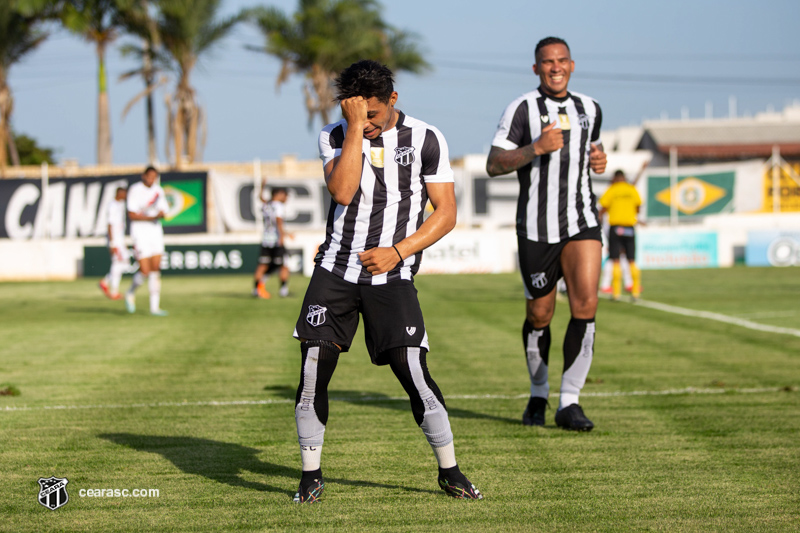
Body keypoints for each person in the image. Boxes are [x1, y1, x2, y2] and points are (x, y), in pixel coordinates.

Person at [291, 60, 482, 503]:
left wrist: (398, 251)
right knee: (313, 371)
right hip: (335, 270)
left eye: (373, 115)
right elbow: (342, 192)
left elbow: (447, 213)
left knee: (412, 370)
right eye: (356, 113)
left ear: (393, 100)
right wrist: (356, 126)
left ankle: (449, 470)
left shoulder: (426, 138)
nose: (365, 123)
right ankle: (310, 474)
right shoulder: (335, 134)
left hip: (393, 272)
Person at [486, 37, 607, 431]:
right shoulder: (522, 108)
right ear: (536, 68)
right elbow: (494, 164)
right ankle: (539, 394)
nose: (555, 67)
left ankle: (569, 403)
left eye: (561, 60)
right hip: (537, 228)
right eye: (546, 62)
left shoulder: (590, 108)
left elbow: (593, 150)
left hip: (582, 220)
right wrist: (535, 148)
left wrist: (600, 159)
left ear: (572, 64)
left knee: (586, 304)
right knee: (540, 313)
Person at [598, 161, 647, 301]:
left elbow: (603, 208)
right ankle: (635, 292)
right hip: (629, 228)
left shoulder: (611, 190)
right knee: (631, 260)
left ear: (614, 178)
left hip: (615, 228)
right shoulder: (631, 190)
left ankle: (616, 293)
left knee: (615, 261)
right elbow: (638, 207)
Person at [125, 166, 169, 316]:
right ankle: (130, 292)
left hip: (155, 232)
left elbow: (164, 210)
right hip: (140, 233)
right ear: (144, 176)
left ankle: (154, 308)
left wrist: (162, 214)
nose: (151, 180)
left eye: (154, 177)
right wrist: (151, 217)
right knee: (145, 270)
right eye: (149, 176)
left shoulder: (158, 191)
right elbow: (132, 214)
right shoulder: (135, 190)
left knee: (156, 269)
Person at [252, 179, 290, 299]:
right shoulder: (279, 206)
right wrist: (282, 236)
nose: (286, 198)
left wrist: (262, 187)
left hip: (266, 239)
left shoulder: (267, 204)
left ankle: (256, 289)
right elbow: (279, 221)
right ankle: (283, 290)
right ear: (278, 195)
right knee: (284, 264)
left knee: (262, 265)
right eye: (285, 195)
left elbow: (260, 198)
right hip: (276, 240)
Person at [99, 187, 128, 300]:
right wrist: (112, 243)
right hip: (115, 241)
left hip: (120, 240)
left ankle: (105, 281)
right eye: (124, 194)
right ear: (119, 193)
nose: (125, 196)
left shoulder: (120, 205)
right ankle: (113, 291)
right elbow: (110, 225)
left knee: (124, 264)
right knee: (117, 264)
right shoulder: (112, 205)